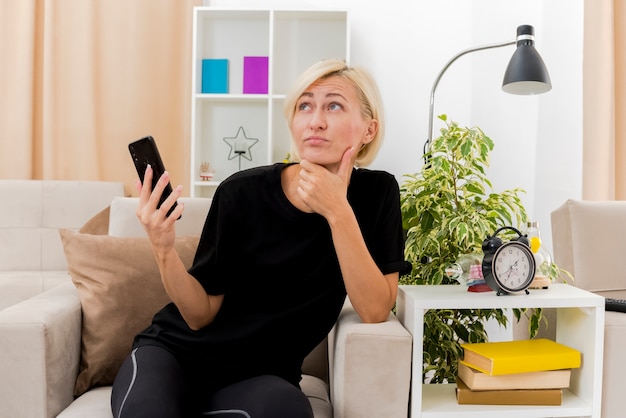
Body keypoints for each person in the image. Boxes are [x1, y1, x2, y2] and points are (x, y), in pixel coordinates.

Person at [110, 59, 410, 418]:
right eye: (305, 105)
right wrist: (163, 250)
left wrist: (338, 212)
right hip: (173, 355)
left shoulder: (378, 194)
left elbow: (375, 309)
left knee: (288, 410)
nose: (316, 120)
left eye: (334, 105)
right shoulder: (241, 192)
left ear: (368, 129)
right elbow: (199, 315)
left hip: (259, 380)